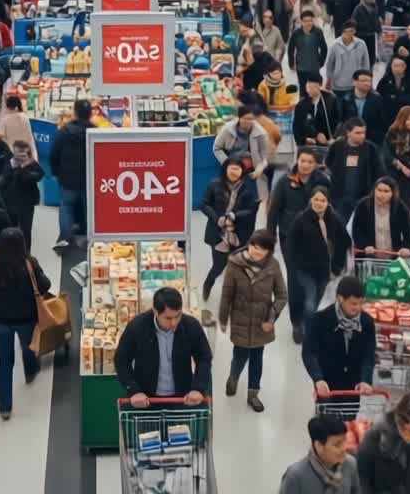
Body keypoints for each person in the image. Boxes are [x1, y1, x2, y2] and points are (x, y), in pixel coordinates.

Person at [0, 228, 50, 419]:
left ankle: (5, 408)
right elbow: (45, 285)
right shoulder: (30, 264)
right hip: (26, 319)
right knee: (28, 347)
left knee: (5, 361)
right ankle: (30, 372)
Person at [214, 230, 287, 412]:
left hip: (262, 321)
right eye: (254, 246)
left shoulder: (273, 266)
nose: (257, 251)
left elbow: (281, 295)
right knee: (239, 355)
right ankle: (233, 377)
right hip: (240, 318)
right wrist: (223, 319)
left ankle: (253, 394)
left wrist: (271, 317)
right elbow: (226, 294)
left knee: (257, 357)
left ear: (269, 251)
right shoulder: (234, 264)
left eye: (262, 249)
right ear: (249, 244)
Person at [114, 287, 212, 407]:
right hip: (146, 400)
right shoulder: (138, 327)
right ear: (155, 311)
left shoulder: (191, 326)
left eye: (177, 316)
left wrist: (198, 388)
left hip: (183, 398)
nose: (174, 323)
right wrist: (133, 390)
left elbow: (204, 357)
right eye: (168, 318)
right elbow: (121, 360)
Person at [284, 187, 349, 342]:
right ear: (310, 200)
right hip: (305, 269)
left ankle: (303, 324)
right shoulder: (301, 219)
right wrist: (294, 266)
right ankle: (307, 331)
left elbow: (344, 240)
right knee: (310, 300)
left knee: (317, 299)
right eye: (316, 200)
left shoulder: (334, 218)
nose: (319, 203)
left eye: (323, 200)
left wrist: (338, 264)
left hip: (325, 270)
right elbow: (290, 244)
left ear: (328, 203)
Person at [301, 274, 377, 397]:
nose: (358, 308)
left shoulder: (367, 322)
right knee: (326, 415)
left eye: (361, 303)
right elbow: (309, 353)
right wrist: (318, 379)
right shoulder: (319, 320)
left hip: (353, 387)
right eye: (353, 303)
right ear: (340, 298)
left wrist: (365, 380)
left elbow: (369, 354)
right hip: (327, 385)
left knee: (351, 415)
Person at [355, 388, 410, 494]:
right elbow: (363, 476)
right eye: (405, 430)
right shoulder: (376, 435)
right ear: (397, 419)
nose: (409, 436)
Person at [201, 156, 261, 301]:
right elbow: (204, 204)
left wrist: (235, 215)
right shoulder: (214, 184)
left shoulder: (249, 187)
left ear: (242, 171)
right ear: (225, 168)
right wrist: (218, 218)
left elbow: (252, 208)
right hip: (218, 233)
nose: (234, 172)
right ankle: (208, 284)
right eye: (232, 168)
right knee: (218, 266)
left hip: (240, 234)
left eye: (238, 169)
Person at [278, 415, 364, 494]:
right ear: (318, 445)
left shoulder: (350, 464)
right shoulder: (295, 475)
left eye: (345, 441)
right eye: (337, 444)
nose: (344, 448)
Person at [50, 100, 93, 250]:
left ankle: (65, 241)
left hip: (67, 178)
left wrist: (55, 172)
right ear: (90, 113)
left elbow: (54, 153)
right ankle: (91, 240)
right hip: (89, 179)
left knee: (66, 207)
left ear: (75, 113)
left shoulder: (64, 131)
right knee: (90, 209)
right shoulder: (95, 132)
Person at [326, 118, 386, 219]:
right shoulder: (338, 146)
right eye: (358, 133)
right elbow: (329, 162)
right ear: (348, 133)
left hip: (364, 198)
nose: (362, 136)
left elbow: (379, 172)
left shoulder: (371, 149)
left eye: (363, 132)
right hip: (341, 198)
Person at [0, 140, 44, 251]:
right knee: (9, 228)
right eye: (17, 154)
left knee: (26, 230)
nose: (20, 157)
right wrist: (13, 167)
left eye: (23, 154)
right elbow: (2, 181)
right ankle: (9, 251)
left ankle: (26, 253)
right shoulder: (9, 163)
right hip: (10, 201)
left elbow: (38, 176)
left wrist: (22, 167)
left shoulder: (32, 165)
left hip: (26, 203)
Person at [325, 22, 371, 104]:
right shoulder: (335, 45)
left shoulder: (361, 44)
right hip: (338, 85)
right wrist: (328, 80)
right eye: (347, 31)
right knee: (339, 110)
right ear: (342, 31)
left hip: (355, 85)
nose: (349, 34)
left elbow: (366, 64)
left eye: (351, 31)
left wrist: (367, 81)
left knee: (352, 111)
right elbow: (329, 65)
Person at [340, 70, 387, 146]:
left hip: (372, 140)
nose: (367, 83)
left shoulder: (377, 100)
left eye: (369, 81)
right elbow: (342, 120)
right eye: (363, 80)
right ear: (354, 82)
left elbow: (382, 122)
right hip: (350, 139)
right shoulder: (346, 99)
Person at [288, 11, 329, 92]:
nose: (308, 23)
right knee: (303, 90)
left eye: (310, 20)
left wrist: (321, 62)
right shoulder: (296, 33)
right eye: (305, 21)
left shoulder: (318, 32)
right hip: (301, 68)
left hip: (314, 67)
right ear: (301, 22)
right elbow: (291, 49)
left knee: (315, 90)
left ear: (313, 20)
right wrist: (291, 63)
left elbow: (324, 48)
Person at [293, 74, 338, 147]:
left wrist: (334, 138)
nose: (309, 90)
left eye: (313, 88)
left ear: (320, 87)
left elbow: (336, 121)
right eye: (308, 87)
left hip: (327, 140)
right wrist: (304, 140)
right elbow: (297, 126)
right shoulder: (301, 104)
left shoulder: (330, 101)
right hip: (309, 142)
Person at [377, 58, 410, 129]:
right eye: (395, 66)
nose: (397, 68)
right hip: (389, 114)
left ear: (404, 67)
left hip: (407, 113)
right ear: (391, 66)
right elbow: (380, 95)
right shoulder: (385, 80)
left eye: (400, 65)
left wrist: (395, 98)